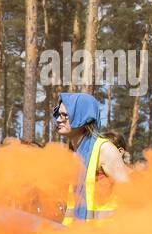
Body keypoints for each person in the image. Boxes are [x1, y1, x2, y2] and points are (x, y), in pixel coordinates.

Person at [54, 91, 130, 225]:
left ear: (82, 117)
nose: (58, 120)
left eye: (65, 115)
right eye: (58, 115)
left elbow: (131, 194)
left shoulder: (104, 149)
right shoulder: (73, 153)